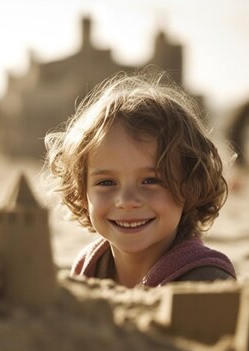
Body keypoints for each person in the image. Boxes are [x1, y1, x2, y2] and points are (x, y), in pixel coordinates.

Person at [44, 72, 236, 288]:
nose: (126, 201)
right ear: (81, 192)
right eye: (106, 182)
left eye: (150, 181)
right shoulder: (87, 268)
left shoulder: (206, 281)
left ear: (191, 185)